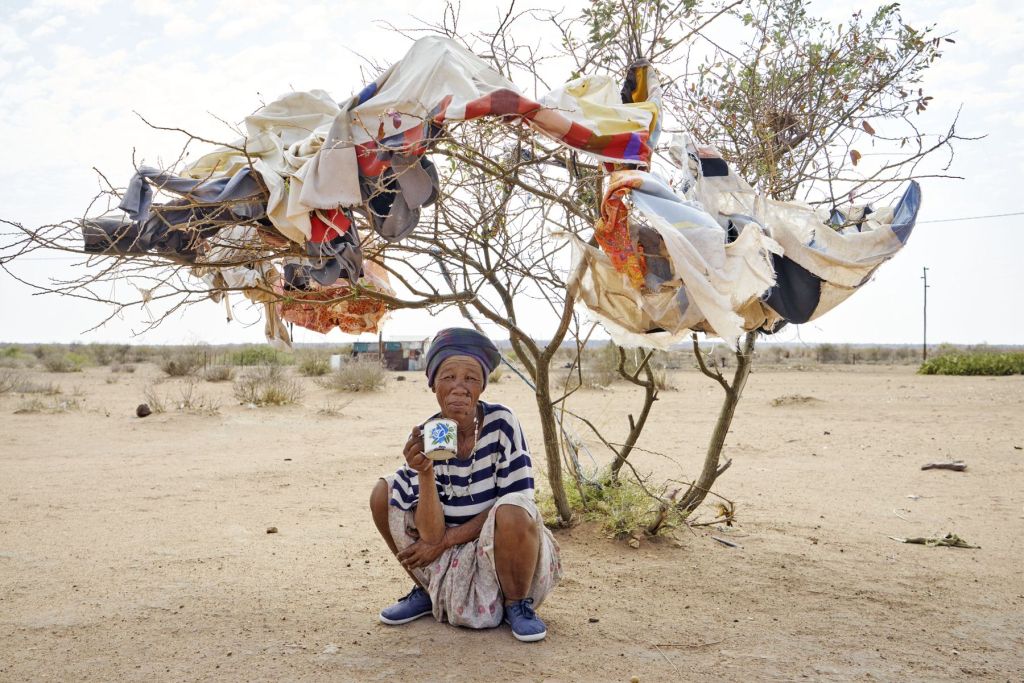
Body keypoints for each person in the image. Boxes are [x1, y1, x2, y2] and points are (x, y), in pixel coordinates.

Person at [369, 327, 562, 642]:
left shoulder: (502, 422)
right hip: (444, 554)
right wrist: (425, 473)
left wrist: (446, 541)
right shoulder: (432, 433)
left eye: (471, 378)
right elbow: (429, 535)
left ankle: (517, 603)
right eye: (448, 377)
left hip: (501, 551)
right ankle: (427, 590)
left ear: (483, 386)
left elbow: (519, 503)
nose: (459, 387)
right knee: (383, 492)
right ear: (434, 385)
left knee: (513, 508)